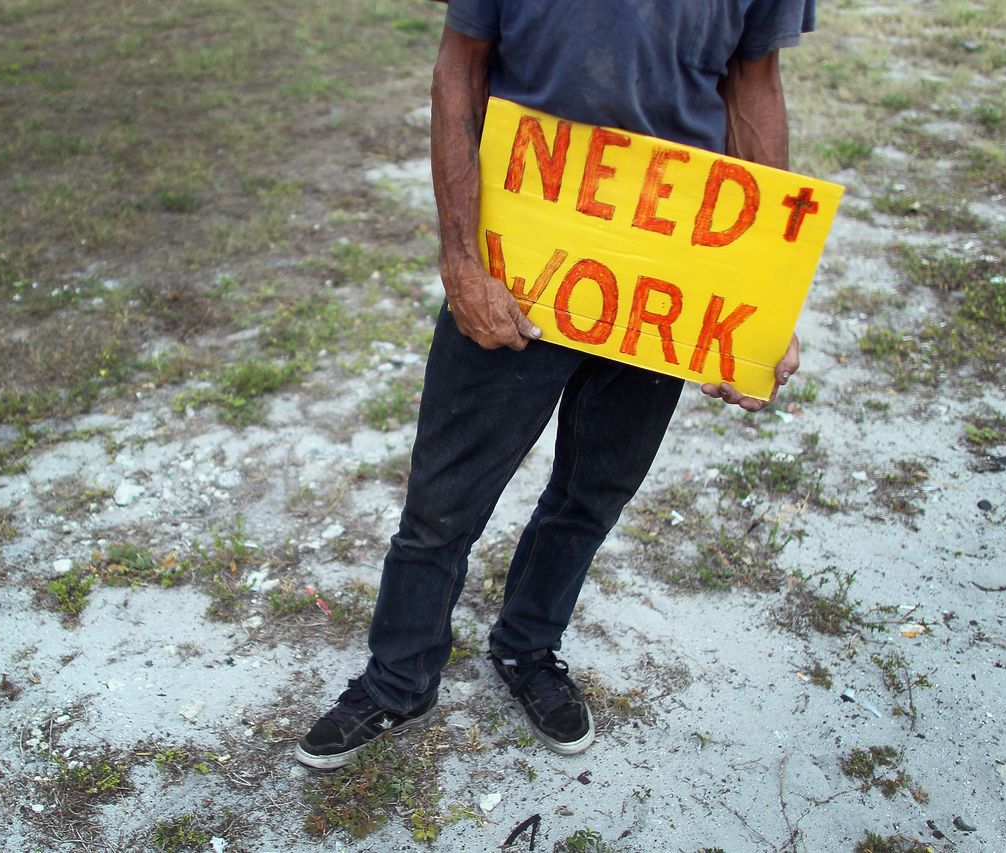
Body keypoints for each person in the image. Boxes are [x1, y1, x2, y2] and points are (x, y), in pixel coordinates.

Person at [295, 0, 814, 770]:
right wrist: (463, 262)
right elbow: (459, 69)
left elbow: (753, 86)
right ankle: (399, 679)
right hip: (522, 253)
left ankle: (527, 649)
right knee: (445, 499)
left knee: (592, 492)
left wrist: (762, 299)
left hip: (666, 267)